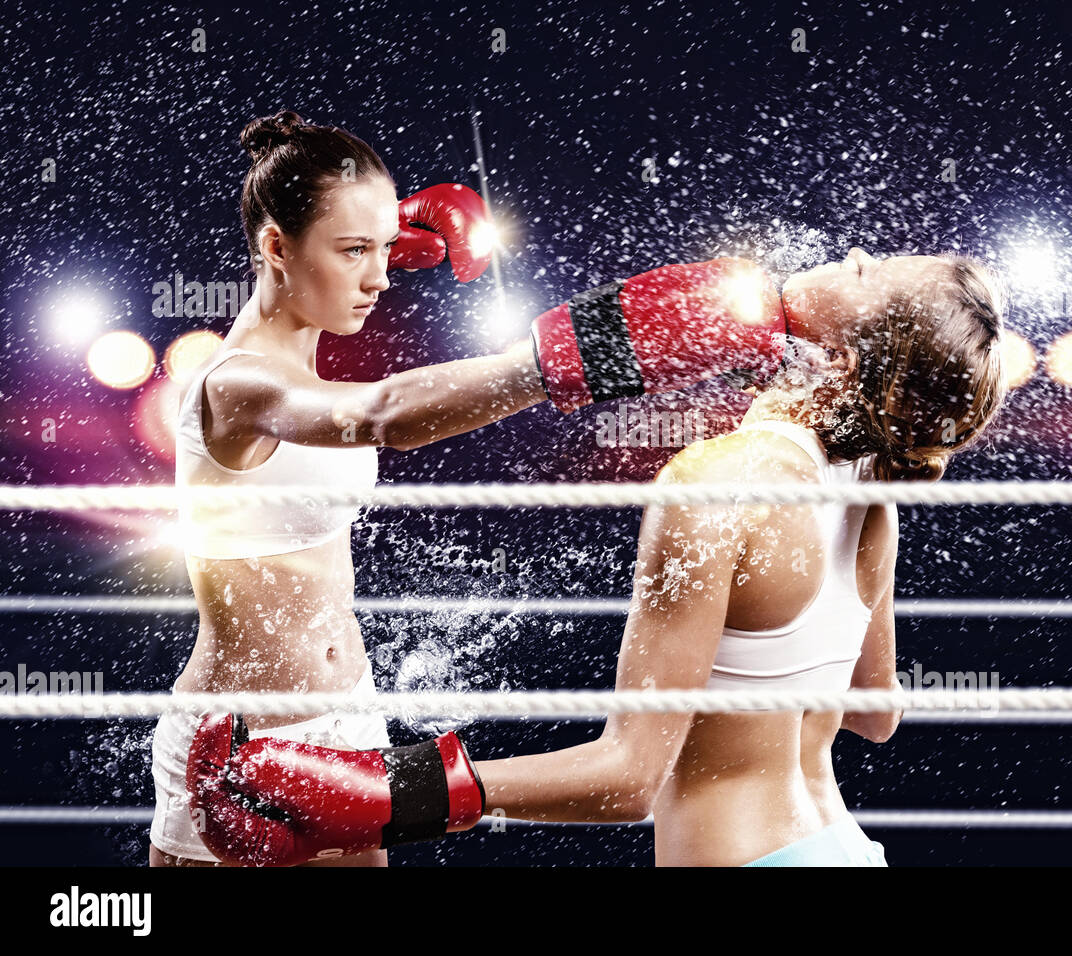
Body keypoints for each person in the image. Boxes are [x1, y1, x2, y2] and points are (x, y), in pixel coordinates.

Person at [188, 245, 1010, 867]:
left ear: (841, 361)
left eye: (869, 272)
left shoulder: (716, 484)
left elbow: (626, 778)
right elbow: (876, 713)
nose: (854, 253)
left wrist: (388, 789)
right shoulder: (871, 490)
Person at [149, 109, 786, 867]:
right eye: (354, 252)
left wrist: (363, 232)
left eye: (387, 249)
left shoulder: (301, 345)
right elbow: (382, 413)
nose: (380, 277)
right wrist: (571, 356)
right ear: (276, 247)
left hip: (349, 715)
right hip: (239, 740)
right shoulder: (236, 385)